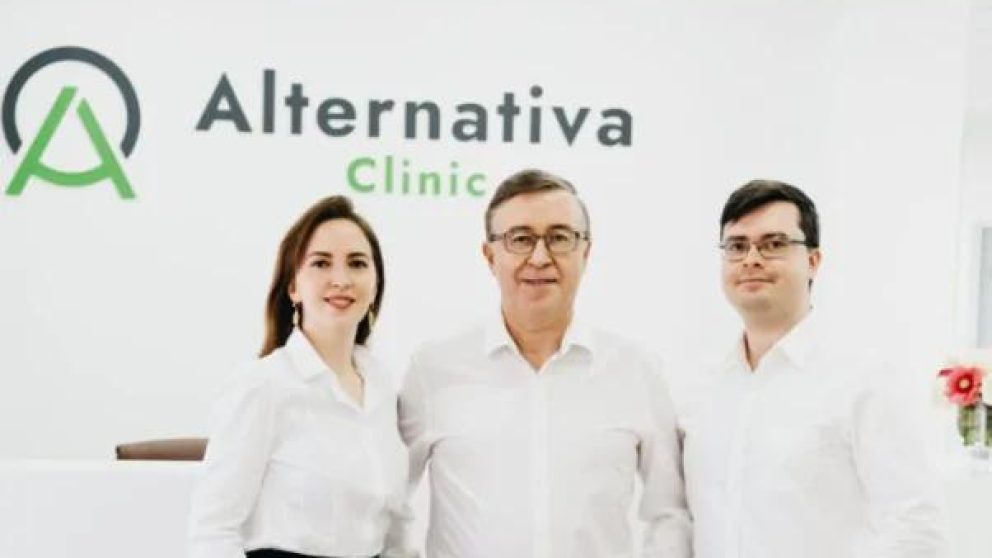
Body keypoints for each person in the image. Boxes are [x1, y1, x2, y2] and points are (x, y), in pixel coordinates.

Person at [391, 169, 692, 558]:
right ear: (490, 256)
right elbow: (387, 500)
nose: (539, 257)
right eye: (520, 239)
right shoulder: (433, 369)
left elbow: (669, 513)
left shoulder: (635, 370)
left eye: (559, 238)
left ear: (585, 252)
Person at [679, 179, 947, 557]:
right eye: (737, 246)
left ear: (813, 261)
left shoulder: (863, 378)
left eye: (774, 244)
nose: (751, 259)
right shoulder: (700, 385)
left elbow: (916, 528)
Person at [188, 195, 408, 558]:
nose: (341, 279)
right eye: (321, 263)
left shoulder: (384, 387)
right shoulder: (264, 385)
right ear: (293, 286)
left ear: (375, 284)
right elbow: (212, 531)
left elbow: (394, 527)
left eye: (357, 264)